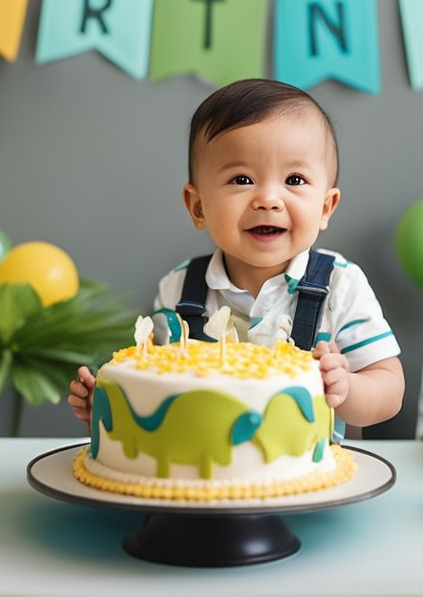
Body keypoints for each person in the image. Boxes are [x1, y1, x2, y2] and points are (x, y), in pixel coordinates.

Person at [68, 78, 404, 429]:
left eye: (294, 180)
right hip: (201, 475)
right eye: (242, 180)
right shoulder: (180, 290)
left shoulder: (341, 285)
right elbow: (153, 391)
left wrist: (347, 389)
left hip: (312, 479)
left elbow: (390, 391)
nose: (268, 200)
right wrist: (110, 404)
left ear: (325, 207)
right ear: (198, 207)